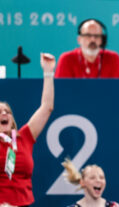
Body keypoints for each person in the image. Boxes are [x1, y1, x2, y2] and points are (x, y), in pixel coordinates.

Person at [0, 53, 55, 206]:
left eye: (7, 111)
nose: (4, 113)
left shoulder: (23, 137)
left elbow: (47, 108)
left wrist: (48, 72)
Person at [55, 19, 119, 78]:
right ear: (79, 39)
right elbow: (60, 91)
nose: (93, 40)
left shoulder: (113, 58)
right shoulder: (66, 59)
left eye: (97, 36)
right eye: (88, 35)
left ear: (102, 40)